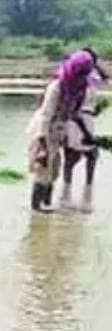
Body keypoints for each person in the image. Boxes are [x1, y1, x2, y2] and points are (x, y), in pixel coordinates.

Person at [28, 50, 98, 212]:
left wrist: (87, 135)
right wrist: (43, 147)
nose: (81, 77)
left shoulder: (80, 89)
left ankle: (47, 203)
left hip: (60, 128)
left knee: (54, 169)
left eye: (84, 74)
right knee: (43, 167)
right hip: (43, 129)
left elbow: (75, 114)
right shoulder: (57, 87)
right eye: (79, 73)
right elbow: (46, 117)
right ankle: (36, 207)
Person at [62, 49, 108, 209]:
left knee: (87, 156)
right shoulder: (77, 79)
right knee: (76, 156)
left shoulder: (89, 79)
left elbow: (105, 77)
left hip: (86, 118)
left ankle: (75, 194)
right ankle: (73, 195)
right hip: (77, 119)